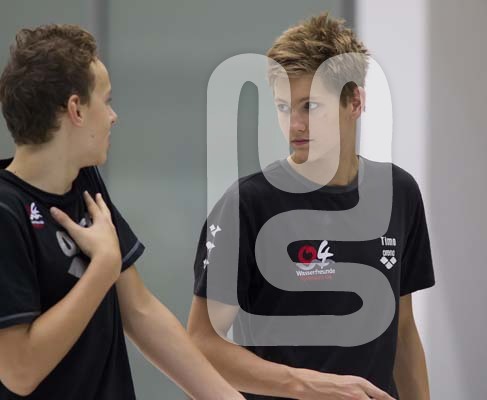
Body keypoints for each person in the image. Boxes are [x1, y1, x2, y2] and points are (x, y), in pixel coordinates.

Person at [187, 13, 435, 400]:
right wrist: (308, 386)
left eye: (310, 106)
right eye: (284, 107)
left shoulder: (398, 192)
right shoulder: (247, 204)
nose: (294, 126)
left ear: (355, 102)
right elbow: (201, 344)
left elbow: (403, 330)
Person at [0, 24, 243, 400]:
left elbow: (140, 311)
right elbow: (19, 371)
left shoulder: (83, 181)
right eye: (106, 100)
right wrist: (102, 268)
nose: (113, 116)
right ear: (76, 109)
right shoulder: (7, 212)